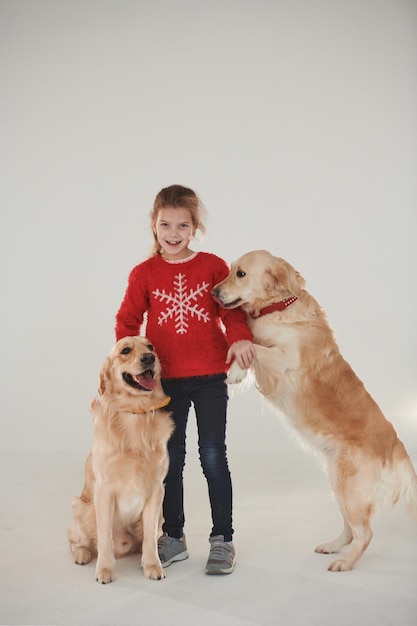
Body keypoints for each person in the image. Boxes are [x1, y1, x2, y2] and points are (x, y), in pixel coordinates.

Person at [115, 184, 255, 575]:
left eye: (182, 225)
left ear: (195, 228)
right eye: (165, 225)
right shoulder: (144, 274)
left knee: (212, 456)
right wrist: (129, 366)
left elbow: (231, 312)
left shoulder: (211, 265)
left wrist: (240, 338)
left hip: (210, 376)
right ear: (153, 226)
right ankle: (173, 536)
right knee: (170, 460)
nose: (173, 233)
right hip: (162, 383)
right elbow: (127, 321)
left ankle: (222, 539)